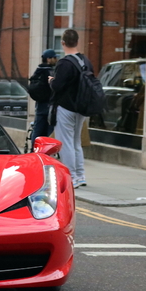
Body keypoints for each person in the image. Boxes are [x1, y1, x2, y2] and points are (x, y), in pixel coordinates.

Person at [49, 29, 94, 189]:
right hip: (81, 108)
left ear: (63, 43)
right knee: (76, 142)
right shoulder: (85, 61)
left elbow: (57, 86)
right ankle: (80, 175)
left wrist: (51, 80)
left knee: (66, 142)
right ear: (77, 42)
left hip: (66, 107)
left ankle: (72, 177)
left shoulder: (65, 63)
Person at [29, 49, 58, 147]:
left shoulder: (38, 70)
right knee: (49, 131)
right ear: (48, 59)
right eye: (54, 57)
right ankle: (45, 151)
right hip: (49, 105)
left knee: (37, 129)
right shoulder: (50, 72)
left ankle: (34, 149)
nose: (56, 59)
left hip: (40, 104)